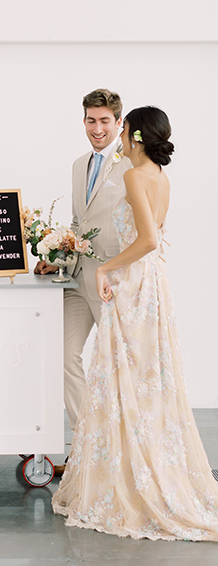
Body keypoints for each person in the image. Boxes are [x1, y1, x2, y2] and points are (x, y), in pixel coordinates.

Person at [52, 106, 218, 541]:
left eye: (121, 129)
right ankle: (133, 468)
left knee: (122, 378)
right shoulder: (160, 176)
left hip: (133, 283)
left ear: (135, 136)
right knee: (143, 380)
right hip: (153, 284)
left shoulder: (131, 175)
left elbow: (146, 240)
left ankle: (122, 476)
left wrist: (106, 269)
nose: (117, 136)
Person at [35, 89, 131, 474]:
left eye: (105, 121)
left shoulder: (132, 167)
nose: (97, 128)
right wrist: (55, 258)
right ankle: (86, 444)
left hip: (114, 281)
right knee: (60, 354)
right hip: (77, 279)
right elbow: (79, 224)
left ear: (119, 123)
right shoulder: (78, 165)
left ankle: (120, 451)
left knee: (116, 368)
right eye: (91, 120)